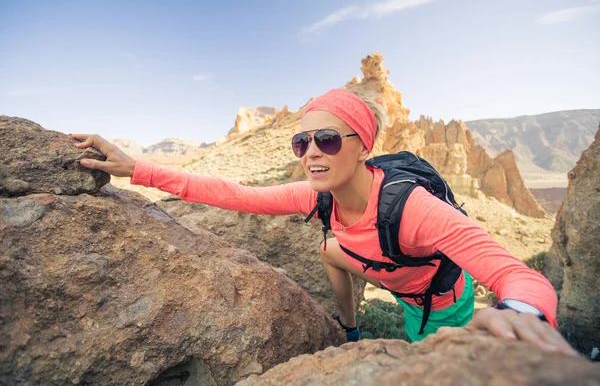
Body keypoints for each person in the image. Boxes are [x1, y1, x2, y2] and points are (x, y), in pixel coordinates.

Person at [70, 87, 578, 357]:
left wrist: (525, 315)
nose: (312, 152)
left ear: (362, 147)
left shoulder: (411, 206)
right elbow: (234, 193)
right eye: (302, 142)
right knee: (330, 248)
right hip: (392, 280)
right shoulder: (319, 196)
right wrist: (136, 169)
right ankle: (352, 328)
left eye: (328, 140)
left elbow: (518, 275)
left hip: (438, 305)